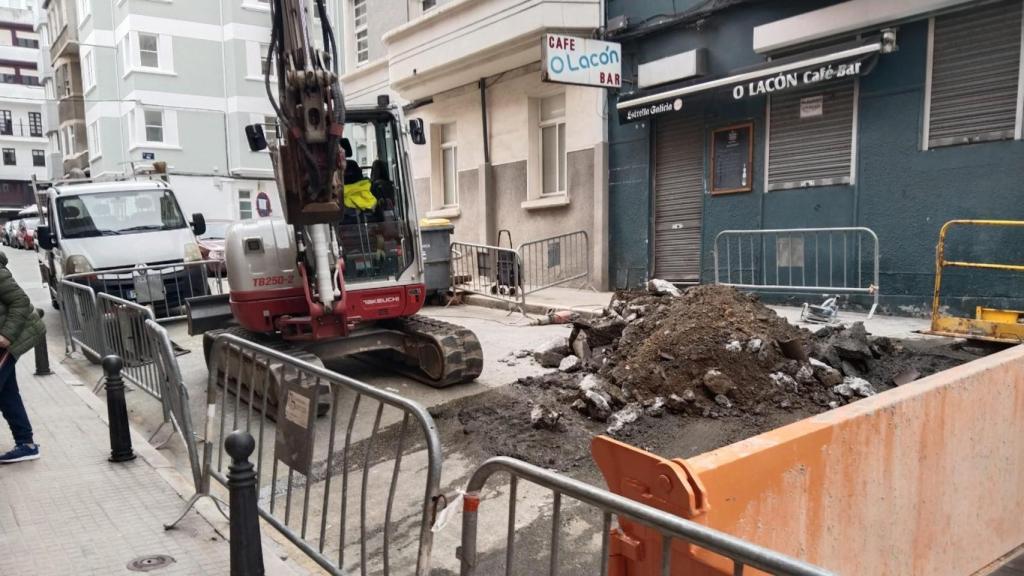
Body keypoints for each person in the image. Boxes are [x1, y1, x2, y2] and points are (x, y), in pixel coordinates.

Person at [0, 251, 46, 463]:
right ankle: (26, 444)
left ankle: (26, 444)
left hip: (10, 338)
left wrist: (6, 335)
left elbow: (20, 301)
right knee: (7, 393)